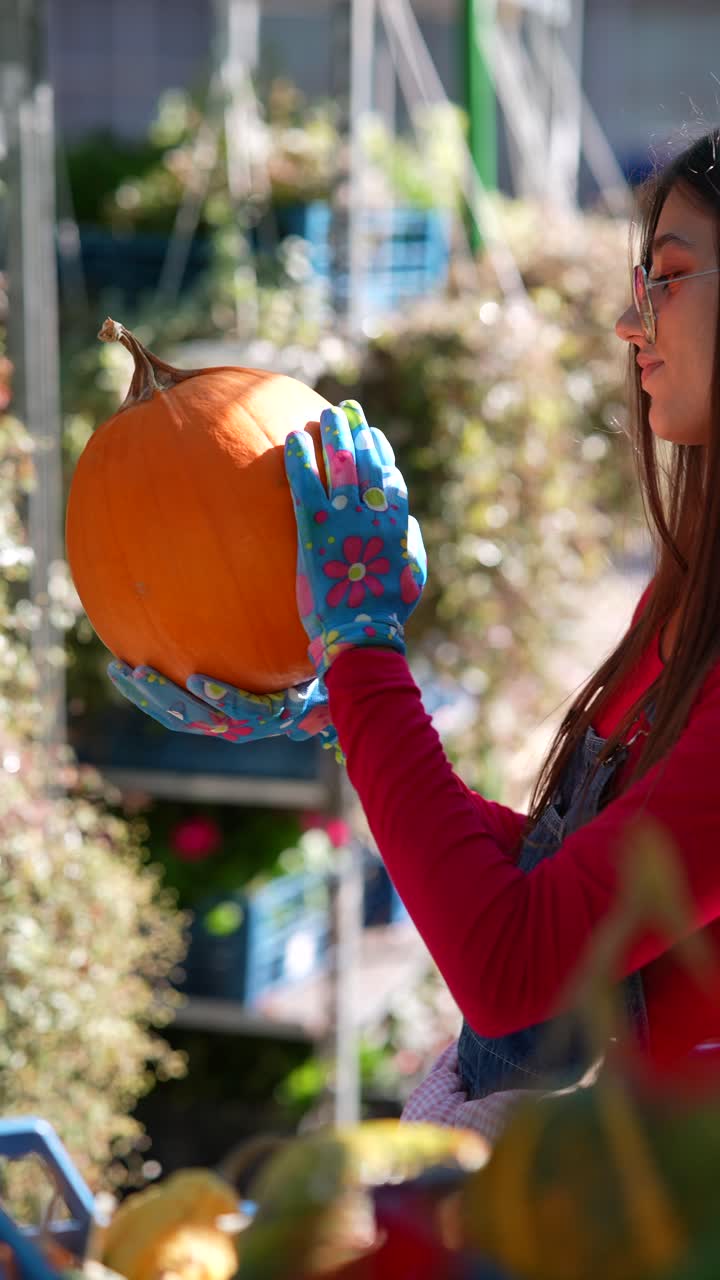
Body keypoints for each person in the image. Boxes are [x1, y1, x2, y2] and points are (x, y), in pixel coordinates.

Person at [110, 129, 720, 1137]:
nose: (628, 321)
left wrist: (360, 652)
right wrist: (343, 714)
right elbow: (567, 894)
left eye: (670, 278)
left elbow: (514, 964)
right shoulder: (692, 582)